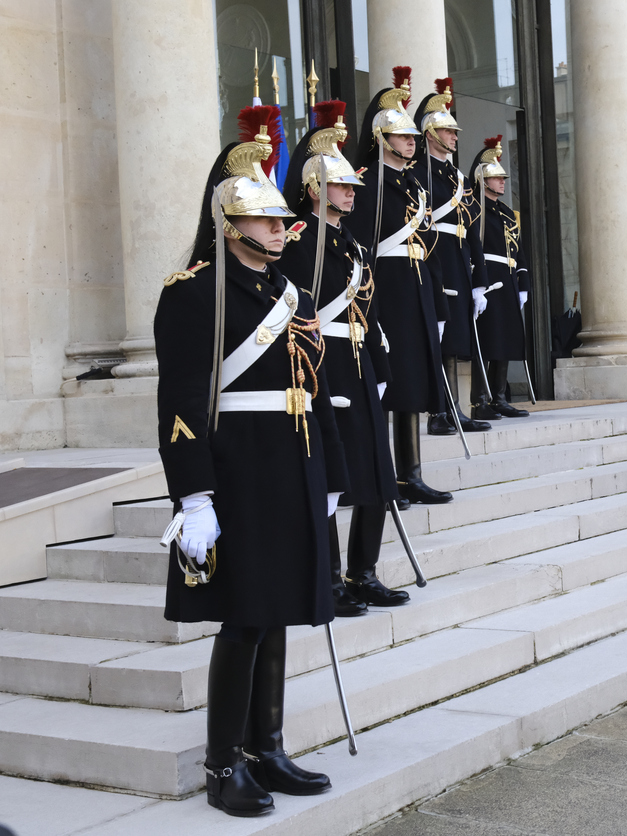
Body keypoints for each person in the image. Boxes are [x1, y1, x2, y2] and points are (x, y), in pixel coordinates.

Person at [155, 106, 348, 816]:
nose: (279, 227)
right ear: (230, 223)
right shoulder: (193, 293)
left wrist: (332, 475)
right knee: (243, 618)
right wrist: (193, 497)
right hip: (237, 473)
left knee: (280, 610)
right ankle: (222, 764)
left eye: (279, 219)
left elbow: (313, 388)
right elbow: (180, 402)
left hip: (292, 465)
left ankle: (267, 748)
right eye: (265, 219)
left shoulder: (287, 291)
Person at [280, 98, 410, 616]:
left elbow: (370, 312)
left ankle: (365, 572)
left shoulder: (354, 246)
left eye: (353, 185)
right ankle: (330, 579)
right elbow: (297, 315)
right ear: (316, 189)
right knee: (334, 474)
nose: (352, 192)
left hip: (361, 364)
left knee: (376, 472)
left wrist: (381, 371)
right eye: (341, 186)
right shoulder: (297, 242)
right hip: (325, 365)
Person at [345, 66, 453, 508]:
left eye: (412, 137)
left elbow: (429, 246)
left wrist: (439, 304)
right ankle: (382, 476)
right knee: (385, 385)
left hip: (416, 289)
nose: (411, 142)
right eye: (403, 137)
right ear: (381, 138)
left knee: (410, 384)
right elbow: (359, 247)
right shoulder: (366, 183)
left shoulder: (412, 185)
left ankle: (411, 474)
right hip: (385, 291)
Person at [412, 78, 491, 434]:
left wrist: (480, 281)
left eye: (455, 132)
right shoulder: (418, 172)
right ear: (430, 134)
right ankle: (438, 412)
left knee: (456, 339)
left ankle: (455, 409)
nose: (455, 137)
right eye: (448, 131)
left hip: (458, 260)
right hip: (435, 257)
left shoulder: (457, 177)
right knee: (437, 340)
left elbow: (472, 229)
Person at [468, 136, 531, 420]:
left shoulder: (507, 213)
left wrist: (523, 283)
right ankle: (480, 400)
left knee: (505, 339)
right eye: (496, 178)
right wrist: (477, 284)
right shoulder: (474, 209)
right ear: (483, 180)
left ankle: (500, 397)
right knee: (486, 341)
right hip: (487, 278)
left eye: (503, 178)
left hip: (507, 279)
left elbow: (519, 251)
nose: (502, 182)